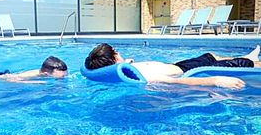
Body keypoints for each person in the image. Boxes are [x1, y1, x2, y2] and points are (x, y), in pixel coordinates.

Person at [84, 43, 261, 89]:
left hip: (179, 65)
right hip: (188, 71)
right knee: (244, 65)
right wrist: (215, 80)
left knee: (211, 55)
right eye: (116, 52)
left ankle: (247, 56)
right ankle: (250, 60)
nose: (119, 52)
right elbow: (177, 83)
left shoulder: (127, 67)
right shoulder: (144, 76)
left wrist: (126, 62)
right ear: (114, 59)